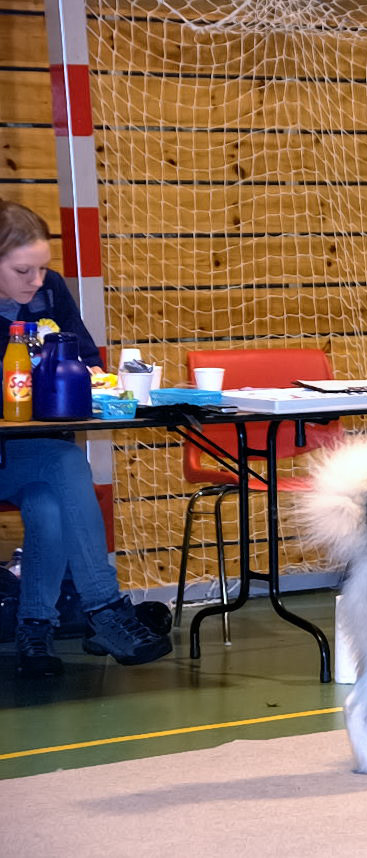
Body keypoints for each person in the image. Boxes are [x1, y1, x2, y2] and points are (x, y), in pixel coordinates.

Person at [0, 199, 171, 677]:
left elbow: (88, 357)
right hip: (17, 451)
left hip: (33, 450)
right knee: (65, 466)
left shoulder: (50, 290)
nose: (36, 281)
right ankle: (104, 608)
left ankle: (35, 628)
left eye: (42, 270)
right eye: (22, 271)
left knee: (50, 504)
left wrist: (85, 373)